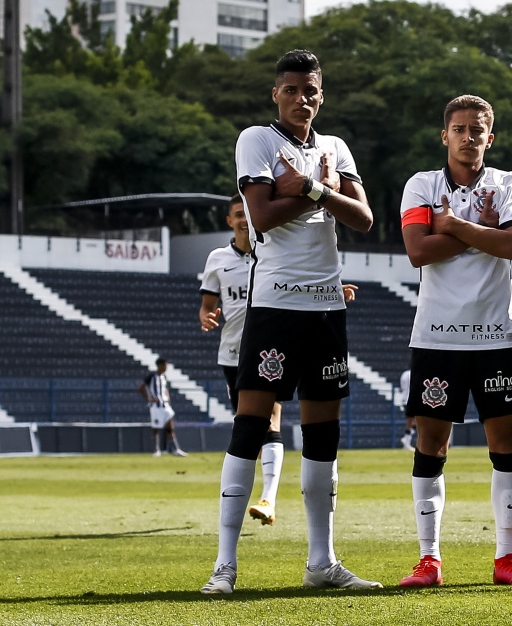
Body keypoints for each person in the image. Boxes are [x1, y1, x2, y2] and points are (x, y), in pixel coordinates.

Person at [201, 49, 379, 595]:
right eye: (293, 90)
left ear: (321, 95)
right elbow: (259, 215)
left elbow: (364, 218)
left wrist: (306, 188)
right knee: (250, 429)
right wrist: (316, 194)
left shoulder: (335, 147)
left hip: (326, 305)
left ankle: (321, 563)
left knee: (323, 436)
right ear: (276, 94)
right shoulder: (257, 139)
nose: (303, 99)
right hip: (275, 303)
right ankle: (224, 567)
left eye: (312, 91)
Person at [398, 94, 512, 588]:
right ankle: (429, 559)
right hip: (437, 334)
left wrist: (455, 225)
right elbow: (418, 251)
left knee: (505, 441)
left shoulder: (508, 183)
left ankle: (506, 559)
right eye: (458, 128)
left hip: (495, 332)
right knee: (431, 443)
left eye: (477, 128)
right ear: (445, 135)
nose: (468, 136)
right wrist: (485, 229)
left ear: (490, 136)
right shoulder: (421, 184)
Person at [200, 195, 359, 528]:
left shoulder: (270, 248)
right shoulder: (217, 259)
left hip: (277, 343)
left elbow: (300, 275)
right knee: (250, 429)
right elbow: (207, 304)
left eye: (247, 212)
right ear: (229, 220)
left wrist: (329, 289)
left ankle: (268, 498)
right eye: (237, 214)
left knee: (271, 422)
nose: (244, 219)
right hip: (232, 353)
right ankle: (259, 500)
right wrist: (207, 316)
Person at [138, 357, 187, 457]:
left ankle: (175, 449)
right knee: (156, 428)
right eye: (165, 365)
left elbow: (165, 388)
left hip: (165, 405)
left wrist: (168, 396)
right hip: (155, 406)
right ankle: (156, 450)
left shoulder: (163, 377)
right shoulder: (151, 376)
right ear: (159, 365)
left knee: (170, 426)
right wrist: (149, 398)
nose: (166, 367)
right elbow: (141, 387)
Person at [397, 368, 416, 451]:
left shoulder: (404, 373)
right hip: (411, 400)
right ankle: (406, 441)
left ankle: (406, 439)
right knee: (411, 421)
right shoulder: (413, 374)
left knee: (413, 422)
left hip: (405, 398)